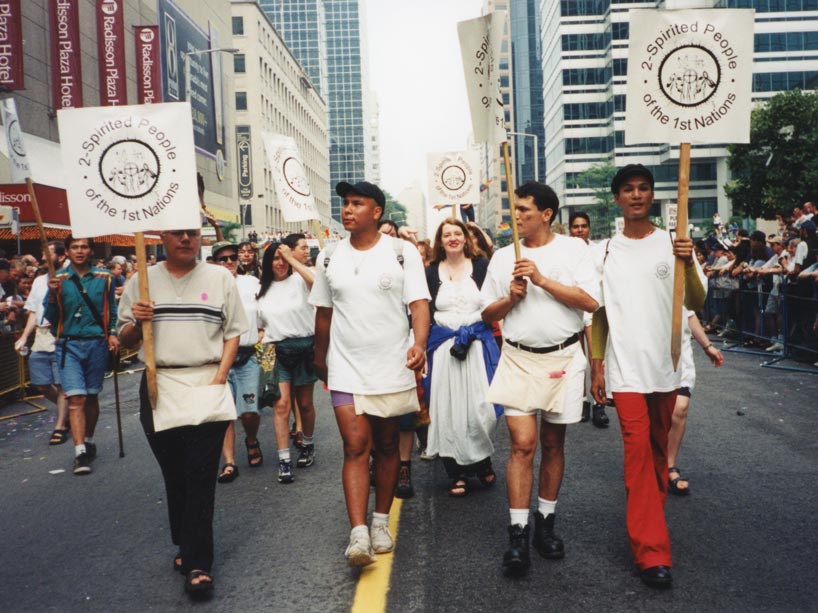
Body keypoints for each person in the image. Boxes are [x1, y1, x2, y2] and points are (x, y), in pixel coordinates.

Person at [590, 164, 706, 588]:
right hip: (626, 372)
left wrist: (686, 262)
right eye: (627, 190)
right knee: (638, 454)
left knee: (658, 452)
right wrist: (598, 366)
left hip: (666, 365)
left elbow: (696, 300)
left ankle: (647, 518)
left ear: (652, 196)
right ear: (617, 199)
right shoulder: (605, 251)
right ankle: (652, 551)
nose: (636, 195)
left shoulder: (673, 243)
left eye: (643, 189)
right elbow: (599, 314)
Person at [118, 227, 247, 596]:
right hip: (160, 385)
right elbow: (123, 339)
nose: (186, 240)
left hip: (206, 381)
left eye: (192, 234)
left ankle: (197, 564)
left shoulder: (220, 278)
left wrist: (220, 377)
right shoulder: (140, 281)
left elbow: (234, 331)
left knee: (200, 476)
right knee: (175, 474)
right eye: (177, 234)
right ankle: (185, 542)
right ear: (163, 238)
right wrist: (137, 321)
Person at [481, 182, 599, 574]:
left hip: (564, 358)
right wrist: (511, 297)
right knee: (522, 444)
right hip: (516, 358)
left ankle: (545, 524)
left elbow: (590, 302)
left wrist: (542, 279)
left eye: (525, 210)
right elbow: (487, 315)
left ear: (546, 214)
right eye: (515, 209)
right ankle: (518, 532)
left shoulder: (574, 249)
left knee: (552, 442)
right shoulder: (501, 258)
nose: (516, 216)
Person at [310, 181, 430, 566]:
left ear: (376, 211)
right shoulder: (328, 256)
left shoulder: (401, 252)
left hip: (392, 363)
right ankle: (358, 533)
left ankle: (381, 521)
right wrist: (320, 356)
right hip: (346, 366)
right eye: (345, 203)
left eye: (356, 204)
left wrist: (420, 343)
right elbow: (324, 313)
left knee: (388, 444)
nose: (347, 210)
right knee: (355, 446)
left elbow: (419, 304)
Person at [424, 218, 500, 496]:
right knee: (447, 409)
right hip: (443, 348)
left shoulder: (481, 267)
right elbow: (423, 311)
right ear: (440, 241)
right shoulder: (431, 272)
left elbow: (493, 303)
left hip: (476, 345)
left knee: (481, 409)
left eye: (458, 233)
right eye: (447, 234)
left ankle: (481, 461)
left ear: (466, 238)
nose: (453, 238)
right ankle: (456, 472)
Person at [44, 236, 119, 475]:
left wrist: (113, 334)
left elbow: (112, 312)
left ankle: (87, 438)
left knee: (91, 396)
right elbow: (52, 318)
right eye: (74, 247)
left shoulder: (105, 278)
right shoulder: (59, 280)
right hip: (69, 346)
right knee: (76, 399)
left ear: (90, 251)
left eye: (84, 246)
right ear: (67, 251)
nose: (79, 251)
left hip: (96, 343)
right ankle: (80, 452)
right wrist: (53, 296)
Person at [257, 241, 317, 483]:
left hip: (304, 347)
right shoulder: (262, 290)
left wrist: (292, 259)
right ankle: (284, 460)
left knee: (304, 404)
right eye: (275, 259)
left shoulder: (300, 280)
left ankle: (308, 444)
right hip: (274, 351)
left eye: (283, 258)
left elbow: (316, 283)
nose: (279, 263)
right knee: (280, 406)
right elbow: (260, 326)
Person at [212, 241, 263, 484]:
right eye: (223, 259)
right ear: (214, 262)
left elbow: (265, 312)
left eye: (233, 257)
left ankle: (251, 439)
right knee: (225, 414)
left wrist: (263, 333)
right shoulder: (207, 288)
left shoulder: (252, 283)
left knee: (250, 412)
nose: (230, 262)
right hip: (220, 359)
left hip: (248, 356)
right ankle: (230, 462)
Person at [15, 242, 69, 445]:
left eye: (49, 253)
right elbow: (33, 312)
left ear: (61, 257)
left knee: (60, 383)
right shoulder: (38, 281)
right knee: (42, 384)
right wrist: (24, 337)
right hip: (40, 336)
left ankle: (61, 425)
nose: (44, 258)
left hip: (60, 336)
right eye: (43, 253)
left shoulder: (69, 279)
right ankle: (69, 410)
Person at [667, 309, 724, 496]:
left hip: (680, 356)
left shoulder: (681, 280)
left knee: (680, 409)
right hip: (648, 353)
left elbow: (688, 313)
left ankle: (669, 466)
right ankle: (648, 463)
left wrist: (707, 346)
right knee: (653, 413)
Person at [568, 211, 610, 428]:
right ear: (570, 229)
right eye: (576, 227)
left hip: (593, 309)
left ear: (589, 228)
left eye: (584, 226)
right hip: (571, 309)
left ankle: (598, 404)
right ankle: (581, 402)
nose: (580, 230)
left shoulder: (597, 250)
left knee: (596, 358)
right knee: (577, 360)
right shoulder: (563, 251)